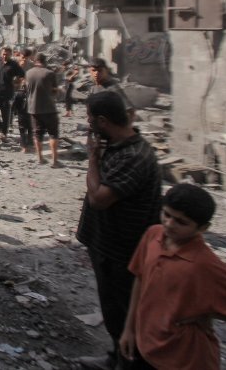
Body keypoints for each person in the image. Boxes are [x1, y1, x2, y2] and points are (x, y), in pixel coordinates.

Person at [119, 184, 226, 369]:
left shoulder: (206, 266)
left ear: (203, 228)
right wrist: (129, 329)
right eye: (167, 215)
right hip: (147, 347)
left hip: (185, 359)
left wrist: (213, 311)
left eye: (181, 222)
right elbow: (140, 278)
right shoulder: (153, 235)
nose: (169, 224)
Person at [75, 91, 162, 370]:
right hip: (107, 246)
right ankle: (116, 358)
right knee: (114, 312)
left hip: (125, 252)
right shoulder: (115, 146)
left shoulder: (134, 155)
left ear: (103, 120)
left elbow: (99, 198)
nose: (87, 122)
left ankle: (132, 363)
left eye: (90, 117)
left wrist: (92, 160)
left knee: (129, 317)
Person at [26, 53, 62, 167]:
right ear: (44, 61)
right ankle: (55, 161)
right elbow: (55, 91)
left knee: (37, 134)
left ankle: (40, 158)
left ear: (35, 61)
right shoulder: (50, 73)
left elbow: (27, 89)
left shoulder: (28, 73)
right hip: (49, 108)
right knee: (53, 134)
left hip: (34, 108)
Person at [0, 46, 24, 140]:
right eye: (3, 53)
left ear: (10, 54)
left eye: (6, 54)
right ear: (0, 54)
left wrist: (17, 83)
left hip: (7, 93)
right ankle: (1, 126)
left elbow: (22, 76)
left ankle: (4, 133)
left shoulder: (14, 65)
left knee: (5, 114)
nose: (4, 55)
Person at [89, 58, 134, 122]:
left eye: (100, 70)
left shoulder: (113, 88)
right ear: (90, 71)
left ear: (106, 71)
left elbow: (130, 111)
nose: (96, 73)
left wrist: (124, 128)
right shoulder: (93, 87)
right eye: (94, 70)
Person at [11, 76, 32, 153]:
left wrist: (14, 112)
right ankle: (30, 143)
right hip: (32, 115)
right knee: (31, 129)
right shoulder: (34, 94)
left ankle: (24, 147)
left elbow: (13, 106)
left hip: (22, 115)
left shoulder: (18, 94)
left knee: (22, 130)